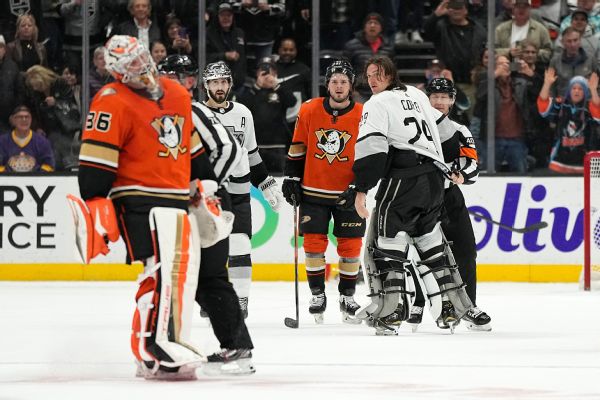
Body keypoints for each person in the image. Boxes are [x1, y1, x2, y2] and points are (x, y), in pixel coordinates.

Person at [74, 35, 252, 380]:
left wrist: (208, 187)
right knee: (160, 272)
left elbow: (194, 150)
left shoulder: (177, 94)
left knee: (182, 276)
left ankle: (158, 350)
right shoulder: (110, 99)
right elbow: (96, 164)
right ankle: (156, 350)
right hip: (137, 199)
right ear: (114, 70)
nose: (138, 68)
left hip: (181, 197)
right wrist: (94, 202)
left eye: (140, 59)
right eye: (128, 65)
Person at [336, 56, 472, 335]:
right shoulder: (416, 94)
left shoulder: (376, 103)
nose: (372, 80)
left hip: (404, 179)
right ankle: (452, 308)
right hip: (434, 180)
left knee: (386, 244)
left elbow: (373, 150)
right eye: (369, 74)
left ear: (391, 75)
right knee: (430, 243)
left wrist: (360, 188)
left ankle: (392, 312)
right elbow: (446, 130)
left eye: (379, 74)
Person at [282, 60, 365, 324]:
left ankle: (347, 296)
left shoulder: (364, 113)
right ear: (327, 84)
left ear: (351, 85)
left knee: (350, 246)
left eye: (343, 81)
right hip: (313, 191)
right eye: (334, 81)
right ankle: (317, 294)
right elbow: (298, 145)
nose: (339, 86)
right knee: (314, 244)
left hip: (349, 192)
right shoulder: (310, 109)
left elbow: (369, 153)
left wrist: (362, 184)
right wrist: (291, 178)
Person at [202, 61, 283, 318]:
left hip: (238, 192)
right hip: (208, 194)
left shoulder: (243, 113)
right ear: (206, 85)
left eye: (224, 81)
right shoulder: (196, 114)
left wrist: (266, 183)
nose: (220, 87)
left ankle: (241, 301)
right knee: (210, 251)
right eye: (214, 82)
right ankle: (210, 298)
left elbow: (252, 155)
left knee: (240, 246)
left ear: (230, 84)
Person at [424, 77, 492, 331]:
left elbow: (472, 164)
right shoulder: (413, 129)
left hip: (449, 198)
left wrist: (462, 175)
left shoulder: (459, 130)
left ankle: (467, 306)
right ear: (426, 99)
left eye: (445, 97)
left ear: (452, 101)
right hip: (418, 199)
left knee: (465, 251)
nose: (439, 101)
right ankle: (415, 307)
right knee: (418, 257)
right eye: (435, 96)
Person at [238, 57, 296, 175]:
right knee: (255, 179)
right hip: (255, 145)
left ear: (275, 73)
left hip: (277, 144)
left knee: (279, 178)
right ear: (257, 73)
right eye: (263, 71)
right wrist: (257, 87)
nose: (266, 74)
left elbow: (292, 102)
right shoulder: (251, 91)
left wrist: (276, 85)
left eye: (270, 70)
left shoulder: (281, 89)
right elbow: (241, 106)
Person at [538, 69, 600, 173]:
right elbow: (543, 109)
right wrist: (546, 84)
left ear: (585, 92)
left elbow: (598, 114)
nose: (576, 91)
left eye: (580, 89)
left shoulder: (589, 107)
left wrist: (593, 90)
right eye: (574, 88)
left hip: (585, 162)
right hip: (559, 161)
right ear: (569, 90)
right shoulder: (561, 104)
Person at [0, 105, 54, 173]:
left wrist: (34, 175)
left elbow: (49, 166)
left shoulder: (42, 142)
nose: (24, 120)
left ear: (31, 119)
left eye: (27, 117)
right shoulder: (2, 141)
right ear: (13, 120)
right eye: (20, 117)